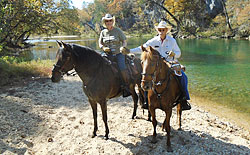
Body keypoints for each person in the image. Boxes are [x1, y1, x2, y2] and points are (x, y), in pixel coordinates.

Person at [121, 20, 191, 110]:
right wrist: (129, 51)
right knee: (146, 77)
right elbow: (143, 48)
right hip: (158, 64)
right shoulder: (154, 40)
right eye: (160, 30)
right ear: (158, 30)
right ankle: (147, 100)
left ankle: (184, 99)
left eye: (163, 30)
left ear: (166, 30)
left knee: (183, 76)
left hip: (170, 62)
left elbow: (179, 53)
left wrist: (174, 54)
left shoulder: (172, 41)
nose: (161, 32)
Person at [99, 14, 131, 97]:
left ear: (112, 21)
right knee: (99, 64)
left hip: (118, 53)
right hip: (107, 54)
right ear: (105, 22)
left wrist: (123, 47)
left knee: (122, 67)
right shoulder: (103, 32)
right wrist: (103, 47)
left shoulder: (118, 31)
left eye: (110, 20)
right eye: (107, 21)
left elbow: (124, 40)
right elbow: (100, 43)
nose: (108, 22)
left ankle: (126, 86)